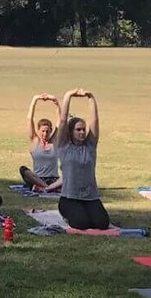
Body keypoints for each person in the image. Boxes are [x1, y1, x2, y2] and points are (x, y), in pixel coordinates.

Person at [55, 89, 110, 231]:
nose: (82, 132)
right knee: (81, 224)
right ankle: (67, 214)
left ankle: (86, 213)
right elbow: (62, 120)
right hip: (69, 198)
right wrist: (68, 95)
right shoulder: (63, 146)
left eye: (83, 129)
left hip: (90, 197)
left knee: (102, 223)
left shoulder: (90, 146)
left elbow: (95, 121)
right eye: (78, 130)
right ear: (70, 132)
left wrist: (91, 97)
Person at [19, 93, 62, 193]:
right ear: (38, 130)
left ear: (51, 130)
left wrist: (56, 102)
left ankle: (47, 188)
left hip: (54, 180)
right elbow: (29, 119)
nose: (45, 133)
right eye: (42, 131)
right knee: (23, 170)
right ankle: (47, 188)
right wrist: (35, 99)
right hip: (37, 180)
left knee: (70, 172)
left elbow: (61, 120)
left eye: (47, 131)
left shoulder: (54, 141)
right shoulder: (35, 140)